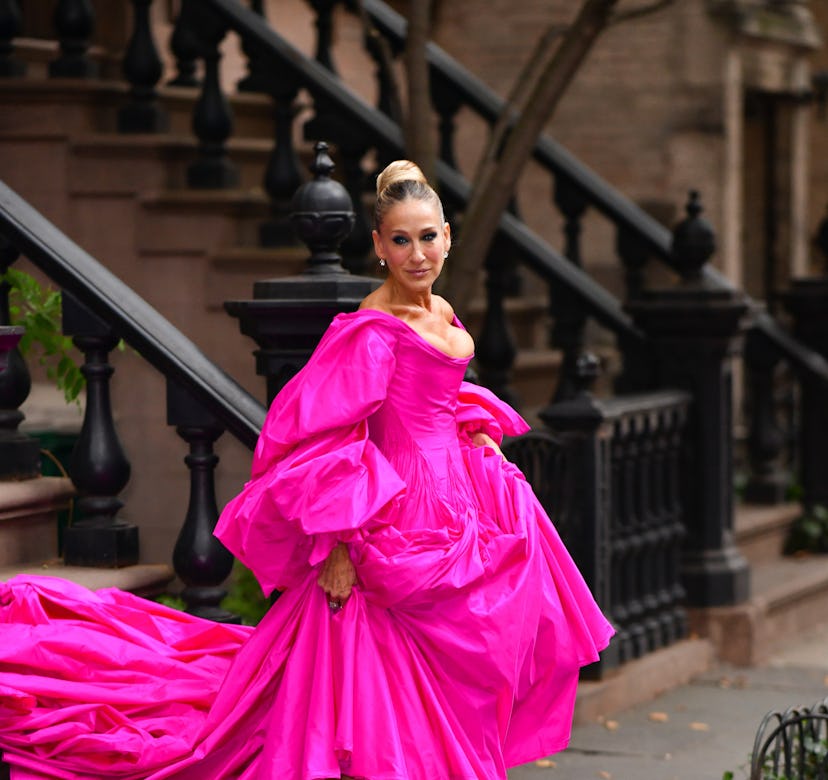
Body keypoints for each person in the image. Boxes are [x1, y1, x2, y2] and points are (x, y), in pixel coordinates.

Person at [0, 161, 613, 780]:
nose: (417, 254)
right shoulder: (372, 331)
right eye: (401, 240)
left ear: (448, 237)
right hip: (396, 515)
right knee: (383, 667)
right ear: (378, 246)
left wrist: (477, 434)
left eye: (428, 237)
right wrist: (340, 546)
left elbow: (438, 398)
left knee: (461, 657)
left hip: (460, 502)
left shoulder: (444, 311)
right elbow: (327, 437)